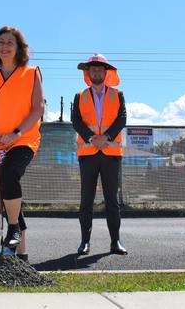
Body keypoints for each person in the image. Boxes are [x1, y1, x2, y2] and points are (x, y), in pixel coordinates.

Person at [0, 26, 44, 261]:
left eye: (10, 42)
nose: (4, 46)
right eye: (0, 42)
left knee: (10, 175)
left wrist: (16, 133)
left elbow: (38, 109)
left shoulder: (31, 73)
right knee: (7, 194)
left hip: (22, 139)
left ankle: (12, 228)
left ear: (19, 48)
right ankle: (21, 258)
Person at [71, 53, 127, 256]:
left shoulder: (117, 94)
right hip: (89, 154)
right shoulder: (80, 96)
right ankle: (85, 242)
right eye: (93, 69)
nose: (96, 72)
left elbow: (121, 119)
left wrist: (107, 137)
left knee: (112, 199)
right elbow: (76, 121)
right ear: (88, 73)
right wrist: (92, 138)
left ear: (106, 72)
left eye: (100, 69)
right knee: (86, 199)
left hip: (111, 153)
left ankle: (116, 242)